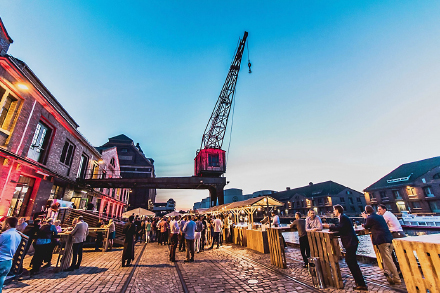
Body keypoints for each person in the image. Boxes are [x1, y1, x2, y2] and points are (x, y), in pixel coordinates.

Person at [326, 205, 367, 291]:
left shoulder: (343, 217)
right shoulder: (342, 217)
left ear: (337, 210)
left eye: (334, 210)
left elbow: (341, 228)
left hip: (351, 242)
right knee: (351, 262)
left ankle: (361, 283)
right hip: (351, 242)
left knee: (351, 262)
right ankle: (359, 282)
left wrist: (329, 226)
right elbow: (342, 229)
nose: (333, 212)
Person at [362, 205, 401, 285]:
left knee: (388, 259)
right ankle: (387, 272)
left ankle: (397, 278)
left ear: (366, 212)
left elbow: (366, 226)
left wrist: (365, 217)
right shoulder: (380, 216)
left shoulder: (370, 218)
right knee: (387, 257)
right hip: (389, 238)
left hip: (381, 240)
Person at [0, 217, 21, 290]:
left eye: (3, 223)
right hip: (8, 262)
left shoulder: (4, 235)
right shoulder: (18, 235)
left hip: (1, 260)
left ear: (7, 225)